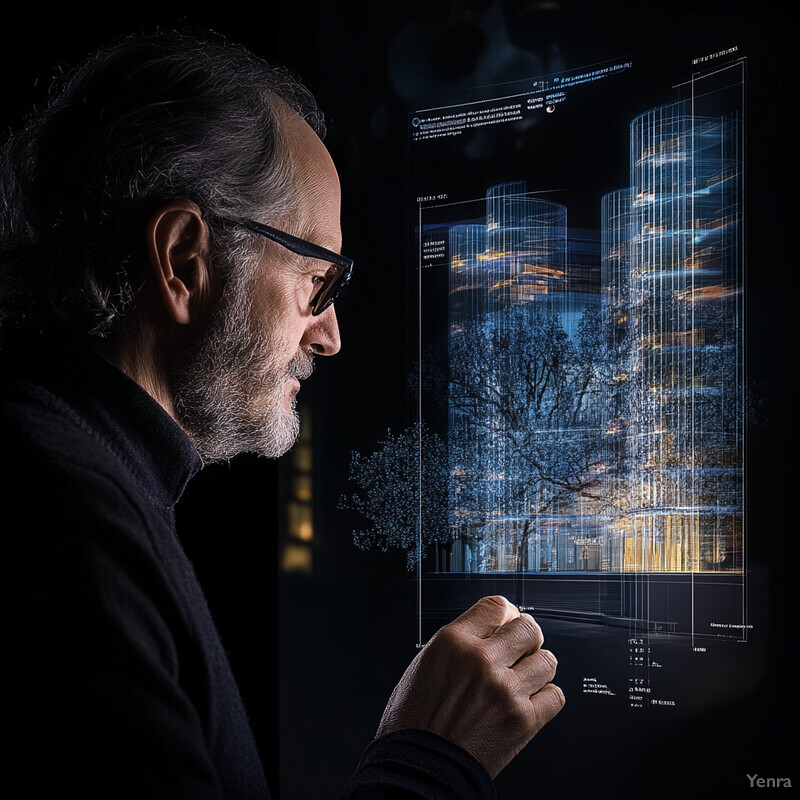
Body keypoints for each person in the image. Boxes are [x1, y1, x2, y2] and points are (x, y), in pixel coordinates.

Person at [0, 30, 564, 798]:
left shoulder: (76, 482)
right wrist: (429, 763)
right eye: (317, 283)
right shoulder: (67, 513)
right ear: (183, 259)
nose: (329, 337)